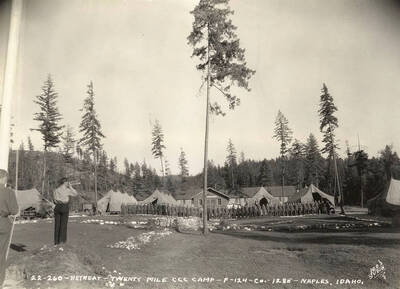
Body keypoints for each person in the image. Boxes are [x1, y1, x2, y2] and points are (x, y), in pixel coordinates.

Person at [0, 169, 19, 288]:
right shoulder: (8, 192)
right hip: (2, 224)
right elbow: (14, 211)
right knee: (1, 254)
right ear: (4, 178)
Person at [53, 177, 77, 245]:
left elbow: (54, 200)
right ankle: (62, 241)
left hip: (57, 206)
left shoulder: (56, 190)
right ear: (65, 182)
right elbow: (75, 194)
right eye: (67, 182)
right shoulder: (67, 190)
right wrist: (71, 187)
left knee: (57, 225)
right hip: (64, 206)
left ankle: (56, 241)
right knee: (63, 225)